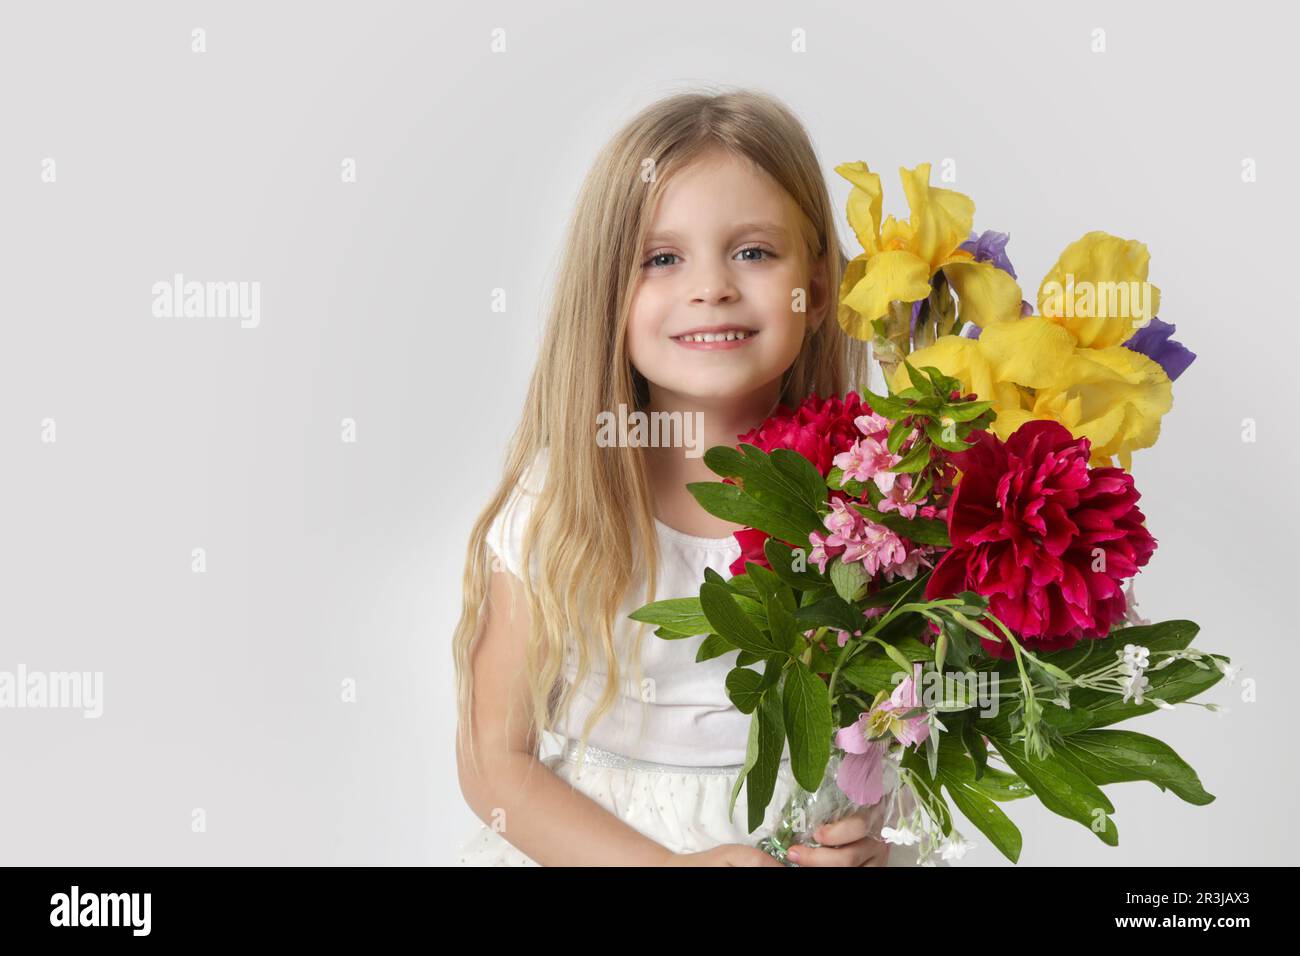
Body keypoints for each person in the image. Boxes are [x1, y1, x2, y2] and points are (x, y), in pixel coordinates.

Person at [452, 86, 932, 866]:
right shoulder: (563, 502)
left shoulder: (877, 504)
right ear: (609, 292)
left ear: (818, 285)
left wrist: (876, 835)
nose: (711, 286)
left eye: (753, 251)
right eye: (663, 258)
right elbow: (492, 763)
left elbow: (897, 725)